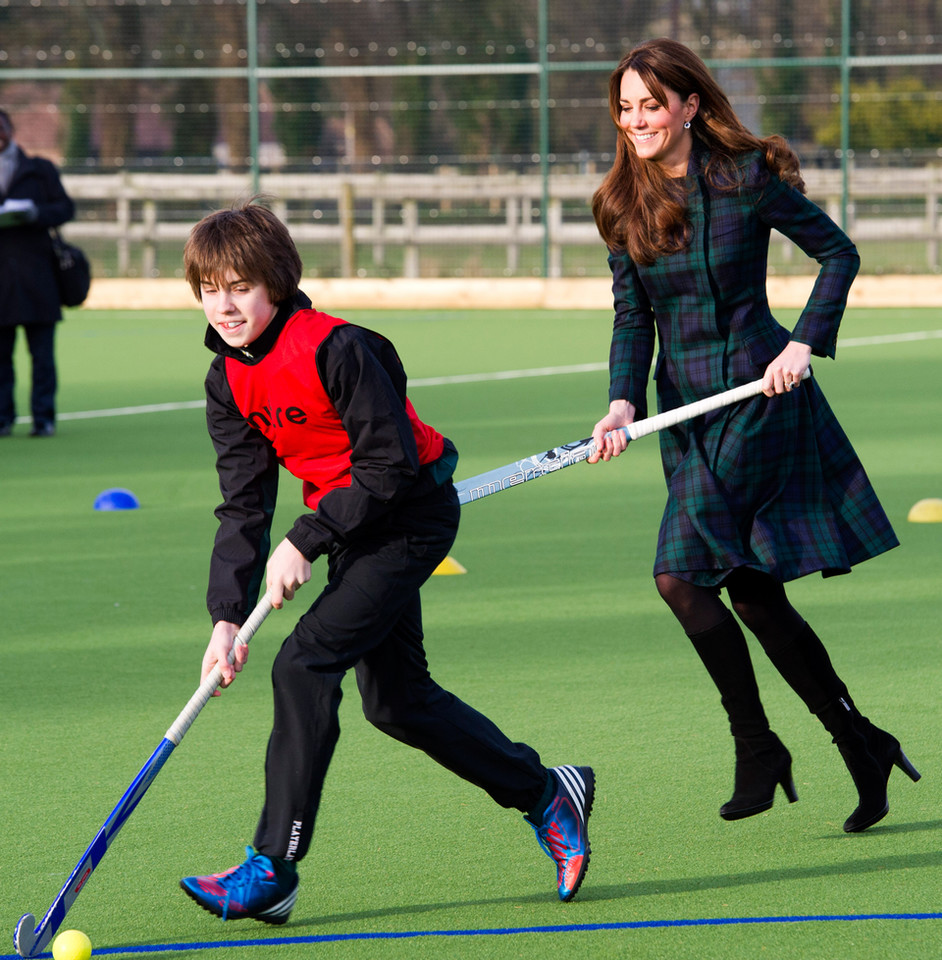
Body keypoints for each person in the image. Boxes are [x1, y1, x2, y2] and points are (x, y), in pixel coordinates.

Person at [177, 200, 594, 925]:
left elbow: (390, 465)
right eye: (209, 288)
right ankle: (546, 793)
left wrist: (306, 537)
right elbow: (242, 506)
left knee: (303, 663)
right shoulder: (226, 380)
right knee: (398, 703)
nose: (225, 304)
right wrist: (224, 616)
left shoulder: (337, 348)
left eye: (240, 285)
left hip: (409, 517)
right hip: (356, 528)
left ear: (275, 281)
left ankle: (272, 866)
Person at [588, 38, 918, 833]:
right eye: (627, 108)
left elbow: (837, 253)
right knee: (751, 591)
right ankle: (859, 741)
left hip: (763, 398)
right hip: (685, 414)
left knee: (678, 576)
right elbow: (635, 317)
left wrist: (803, 343)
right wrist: (621, 404)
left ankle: (757, 743)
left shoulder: (743, 178)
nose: (638, 121)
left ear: (690, 105)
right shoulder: (618, 203)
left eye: (652, 105)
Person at [0, 108, 75, 437]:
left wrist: (34, 213)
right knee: (1, 359)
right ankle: (3, 419)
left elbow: (65, 208)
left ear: (10, 130)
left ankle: (44, 418)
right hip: (1, 283)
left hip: (37, 278)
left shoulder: (40, 169)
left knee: (42, 357)